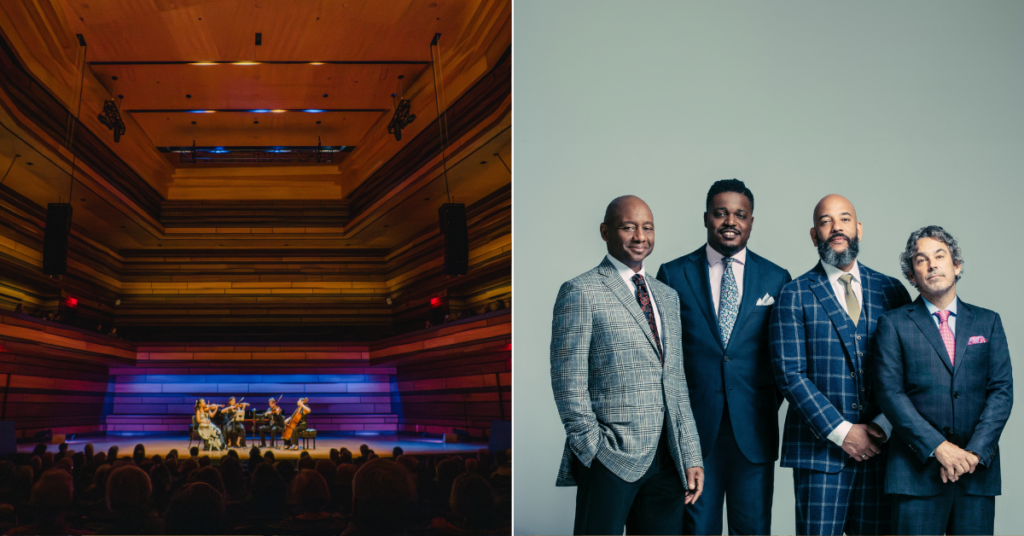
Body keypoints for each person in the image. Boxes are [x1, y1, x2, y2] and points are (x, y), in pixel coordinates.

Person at [551, 195, 703, 535]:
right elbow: (567, 380)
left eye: (647, 228)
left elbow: (676, 382)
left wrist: (691, 454)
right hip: (609, 456)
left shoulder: (667, 296)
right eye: (628, 227)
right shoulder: (580, 291)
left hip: (667, 460)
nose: (640, 236)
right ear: (605, 231)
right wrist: (592, 449)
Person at [770, 194, 911, 535]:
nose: (837, 228)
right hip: (819, 453)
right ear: (814, 234)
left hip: (882, 450)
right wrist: (843, 432)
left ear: (858, 228)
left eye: (845, 219)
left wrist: (882, 426)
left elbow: (909, 370)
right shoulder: (794, 294)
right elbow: (790, 374)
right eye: (825, 221)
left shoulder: (892, 290)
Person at [656, 179, 791, 534]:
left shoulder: (777, 278)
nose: (730, 221)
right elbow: (666, 359)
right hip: (695, 434)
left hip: (754, 431)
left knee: (754, 530)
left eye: (740, 215)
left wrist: (759, 403)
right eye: (721, 213)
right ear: (706, 218)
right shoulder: (672, 274)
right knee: (697, 529)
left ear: (750, 222)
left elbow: (782, 361)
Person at [875, 226, 1012, 535]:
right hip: (916, 473)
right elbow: (890, 393)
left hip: (976, 474)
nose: (932, 264)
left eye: (940, 256)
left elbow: (1001, 391)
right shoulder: (893, 324)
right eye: (921, 260)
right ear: (912, 275)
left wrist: (975, 453)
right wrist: (938, 447)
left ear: (957, 265)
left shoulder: (988, 322)